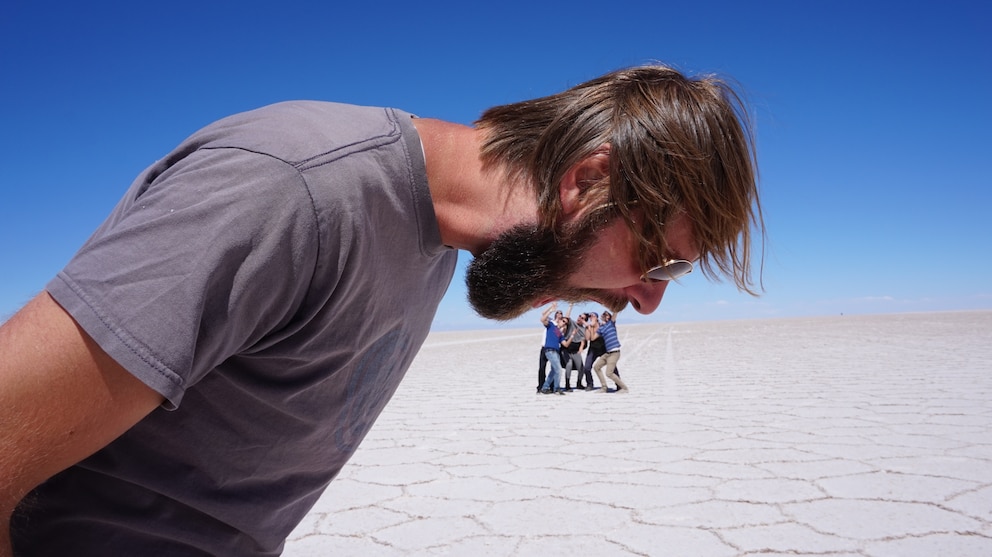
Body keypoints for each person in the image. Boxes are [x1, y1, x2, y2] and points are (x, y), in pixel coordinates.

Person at [0, 64, 763, 555]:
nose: (651, 299)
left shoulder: (430, 248)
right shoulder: (290, 190)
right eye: (659, 261)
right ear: (587, 182)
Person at [593, 309, 628, 392]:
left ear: (609, 316)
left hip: (615, 352)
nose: (605, 315)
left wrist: (616, 306)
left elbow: (615, 312)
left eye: (607, 314)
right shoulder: (601, 328)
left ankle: (624, 388)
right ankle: (604, 387)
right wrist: (592, 325)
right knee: (596, 367)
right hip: (607, 353)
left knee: (609, 373)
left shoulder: (611, 323)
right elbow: (593, 338)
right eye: (603, 314)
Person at [538, 304, 566, 395]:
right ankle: (556, 389)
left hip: (556, 352)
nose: (564, 323)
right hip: (549, 350)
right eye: (563, 321)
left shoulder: (560, 333)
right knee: (558, 369)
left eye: (565, 323)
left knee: (554, 370)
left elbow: (565, 343)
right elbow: (542, 319)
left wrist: (574, 335)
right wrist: (551, 310)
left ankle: (545, 387)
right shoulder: (551, 325)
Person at [560, 314, 586, 389]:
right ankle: (567, 384)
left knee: (581, 368)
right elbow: (567, 317)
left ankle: (579, 383)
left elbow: (583, 340)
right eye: (579, 316)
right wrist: (571, 305)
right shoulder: (572, 323)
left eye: (582, 318)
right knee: (569, 365)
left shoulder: (583, 330)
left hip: (575, 351)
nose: (580, 318)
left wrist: (581, 347)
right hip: (566, 350)